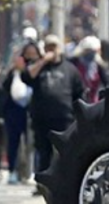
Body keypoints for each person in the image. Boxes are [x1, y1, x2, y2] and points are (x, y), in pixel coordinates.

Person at [23, 34, 85, 178]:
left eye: (54, 47)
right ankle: (43, 183)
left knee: (65, 152)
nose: (51, 50)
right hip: (41, 119)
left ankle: (65, 181)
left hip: (64, 118)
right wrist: (43, 61)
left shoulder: (70, 69)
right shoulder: (39, 67)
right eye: (48, 47)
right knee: (43, 152)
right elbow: (26, 76)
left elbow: (79, 93)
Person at [0, 42, 40, 184]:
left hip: (32, 110)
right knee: (13, 142)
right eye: (27, 54)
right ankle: (12, 171)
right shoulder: (15, 72)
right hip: (14, 111)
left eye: (33, 54)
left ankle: (31, 172)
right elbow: (6, 87)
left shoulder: (38, 70)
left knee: (32, 144)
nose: (30, 57)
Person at [71, 35, 109, 104]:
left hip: (92, 103)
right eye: (88, 50)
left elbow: (107, 83)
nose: (90, 53)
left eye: (93, 51)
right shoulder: (74, 63)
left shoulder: (98, 67)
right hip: (75, 103)